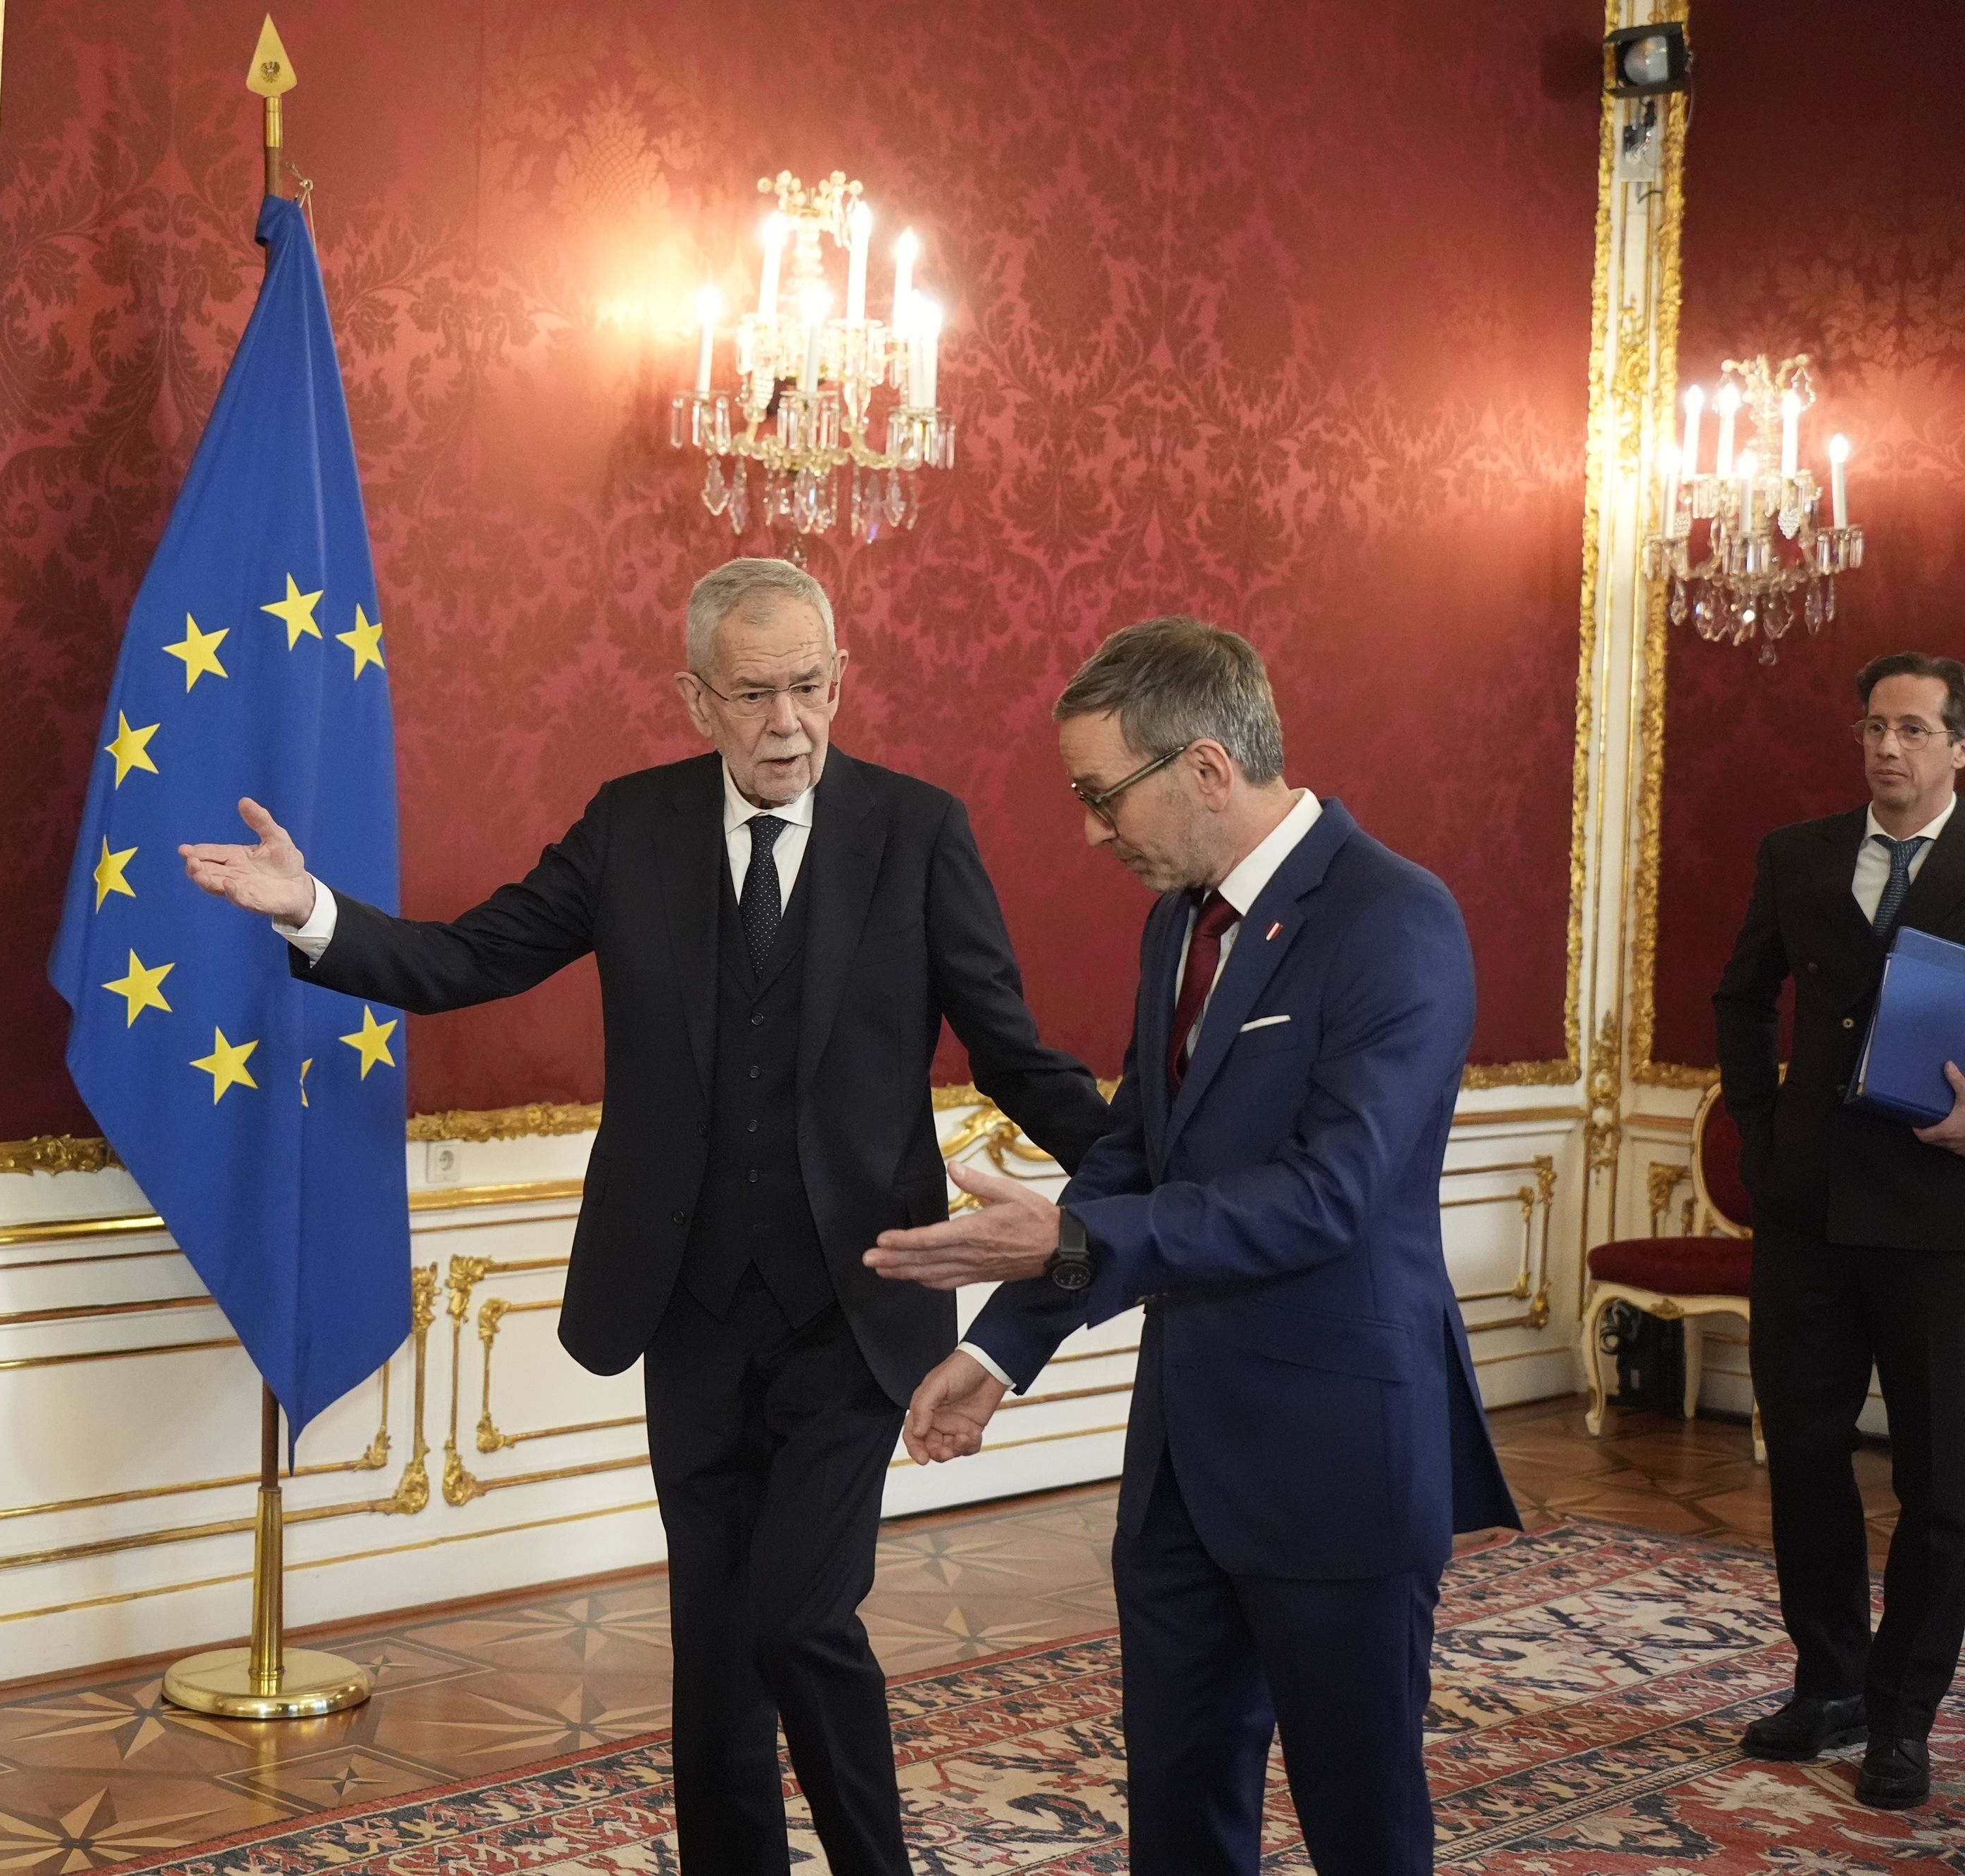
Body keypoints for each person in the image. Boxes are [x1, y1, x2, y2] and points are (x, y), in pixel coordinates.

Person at [180, 556, 1112, 1876]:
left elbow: (1011, 1050)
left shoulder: (916, 831)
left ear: (840, 683)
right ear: (696, 701)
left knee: (799, 1621)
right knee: (715, 1645)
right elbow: (474, 956)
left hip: (860, 1303)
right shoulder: (633, 825)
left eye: (808, 689)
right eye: (753, 694)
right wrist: (312, 912)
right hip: (682, 1301)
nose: (787, 723)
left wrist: (1147, 1172)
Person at [865, 616, 1516, 1876]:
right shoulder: (1180, 921)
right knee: (1178, 1806)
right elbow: (1132, 1155)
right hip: (1182, 1460)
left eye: (1103, 797)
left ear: (1208, 769)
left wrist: (1071, 1237)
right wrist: (1001, 1353)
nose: (1093, 832)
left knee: (1361, 1822)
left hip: (1338, 1455)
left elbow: (1331, 1195)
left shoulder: (1396, 917)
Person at [1716, 650, 1965, 1811]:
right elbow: (1741, 998)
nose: (1887, 748)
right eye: (1874, 726)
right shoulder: (1799, 853)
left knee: (1942, 1483)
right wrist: (1762, 1143)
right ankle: (1832, 1682)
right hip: (1808, 1213)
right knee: (1807, 1459)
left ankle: (1904, 1717)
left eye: (1914, 730)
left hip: (1942, 1219)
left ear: (1958, 748)